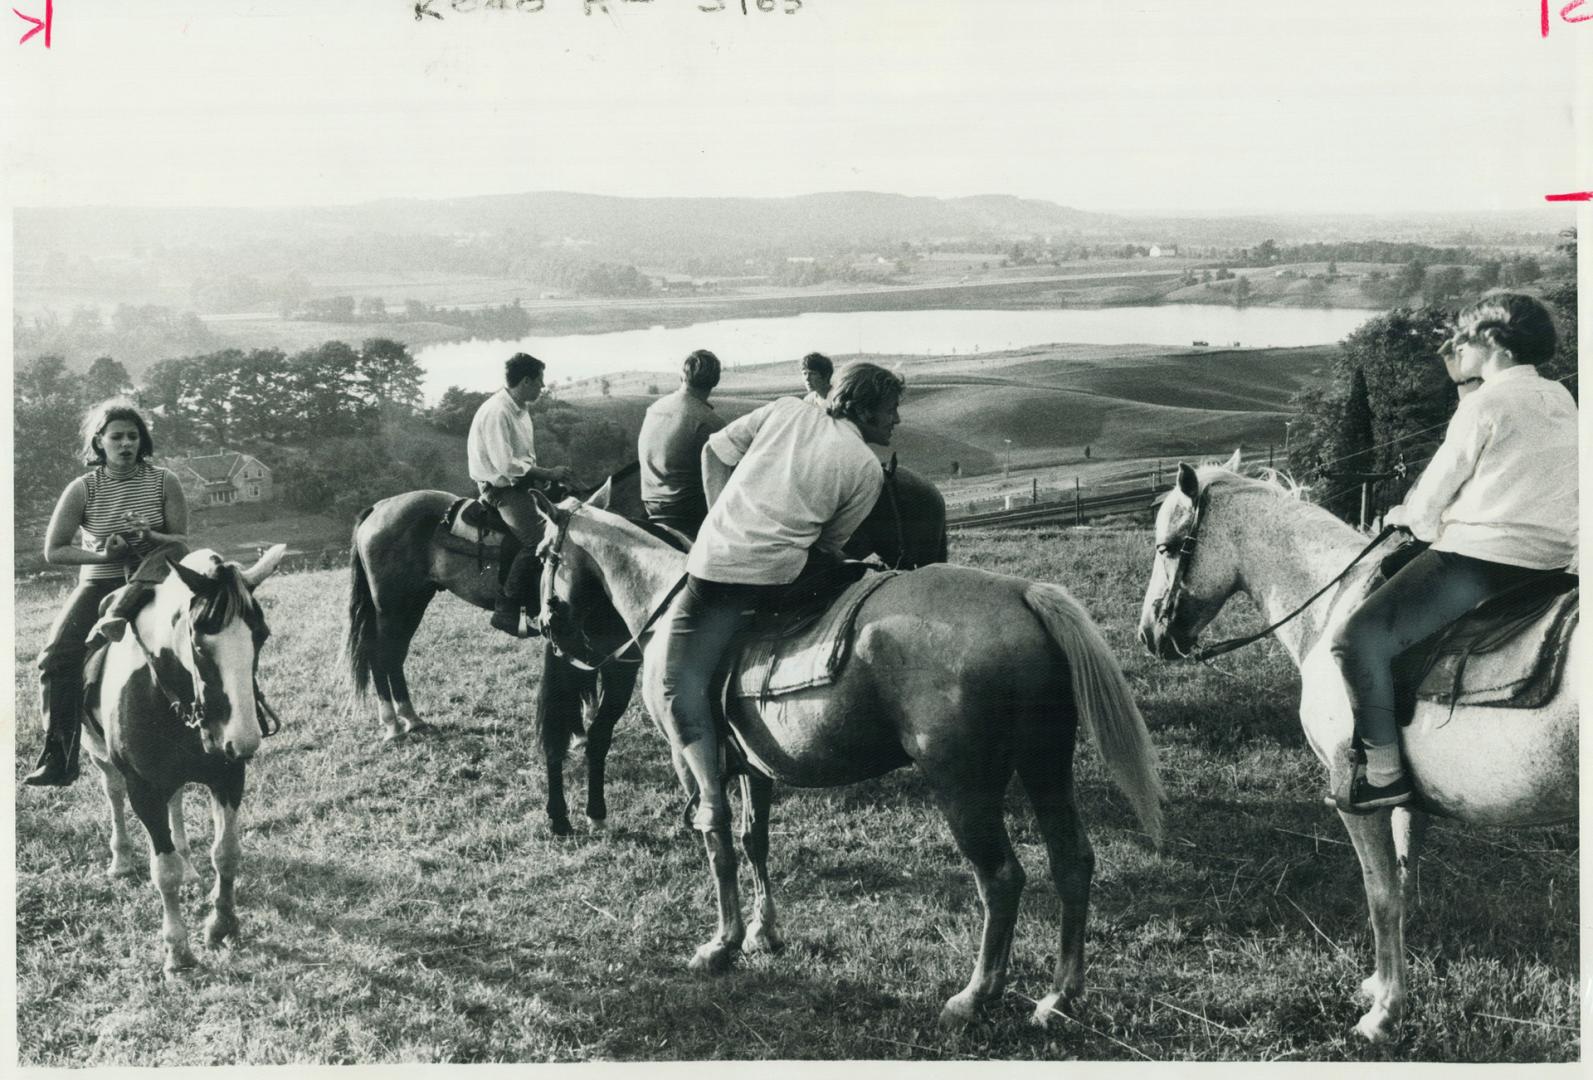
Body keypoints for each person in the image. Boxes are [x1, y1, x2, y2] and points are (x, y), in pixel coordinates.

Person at [1329, 293, 1577, 811]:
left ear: (1491, 341)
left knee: (1356, 639)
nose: (1456, 347)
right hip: (1552, 565)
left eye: (1464, 337)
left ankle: (1384, 774)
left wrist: (1403, 516)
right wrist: (1466, 383)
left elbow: (1429, 504)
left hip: (1479, 563)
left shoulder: (1485, 406)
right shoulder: (1560, 398)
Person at [656, 361, 903, 832]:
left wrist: (720, 522)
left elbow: (713, 452)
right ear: (866, 410)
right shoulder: (866, 469)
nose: (897, 420)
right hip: (783, 578)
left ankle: (710, 797)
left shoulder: (786, 409)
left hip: (713, 571)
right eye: (891, 410)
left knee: (675, 685)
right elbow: (829, 544)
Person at [28, 401, 189, 787]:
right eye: (116, 436)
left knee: (213, 634)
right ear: (99, 442)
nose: (126, 443)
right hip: (100, 582)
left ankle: (222, 723)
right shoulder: (83, 488)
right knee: (55, 658)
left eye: (133, 436)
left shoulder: (164, 481)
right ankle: (60, 756)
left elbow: (181, 541)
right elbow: (55, 550)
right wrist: (104, 553)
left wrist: (150, 536)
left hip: (157, 579)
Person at [467, 353, 575, 636]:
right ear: (526, 381)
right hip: (500, 488)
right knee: (539, 540)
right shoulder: (498, 412)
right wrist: (548, 473)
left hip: (518, 484)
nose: (543, 386)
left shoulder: (519, 407)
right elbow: (506, 465)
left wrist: (544, 479)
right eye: (539, 380)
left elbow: (522, 459)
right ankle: (507, 607)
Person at [638, 349, 727, 539]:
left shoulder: (655, 408)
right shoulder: (711, 423)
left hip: (650, 503)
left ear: (682, 376)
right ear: (715, 381)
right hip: (685, 512)